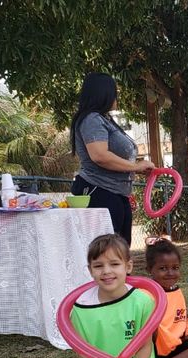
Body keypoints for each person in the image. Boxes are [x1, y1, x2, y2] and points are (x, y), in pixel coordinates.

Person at [48, 234, 172, 358]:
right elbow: (83, 354)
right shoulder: (81, 308)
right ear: (90, 270)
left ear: (128, 266)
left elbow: (145, 346)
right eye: (98, 266)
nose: (106, 271)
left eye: (114, 264)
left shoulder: (142, 301)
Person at [70, 73, 155, 245]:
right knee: (106, 253)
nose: (117, 96)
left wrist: (136, 169)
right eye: (114, 91)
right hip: (99, 191)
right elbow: (100, 156)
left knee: (120, 252)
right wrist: (135, 166)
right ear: (103, 93)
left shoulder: (104, 119)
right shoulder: (91, 119)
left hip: (117, 193)